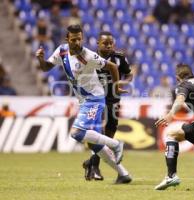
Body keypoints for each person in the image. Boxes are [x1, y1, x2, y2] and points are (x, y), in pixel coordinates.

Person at [35, 24, 127, 180]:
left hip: (95, 99)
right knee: (95, 142)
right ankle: (121, 174)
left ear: (82, 38)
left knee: (77, 133)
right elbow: (45, 68)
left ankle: (116, 145)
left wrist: (117, 86)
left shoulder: (88, 55)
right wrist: (40, 59)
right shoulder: (61, 51)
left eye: (79, 39)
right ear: (67, 39)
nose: (77, 43)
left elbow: (112, 66)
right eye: (74, 40)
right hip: (84, 101)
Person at [82, 31, 133, 184]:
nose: (109, 45)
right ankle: (95, 166)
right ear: (98, 43)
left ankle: (91, 163)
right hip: (95, 98)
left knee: (110, 130)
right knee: (98, 130)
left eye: (111, 43)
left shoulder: (119, 57)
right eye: (105, 43)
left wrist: (123, 83)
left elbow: (129, 74)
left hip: (113, 98)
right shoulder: (89, 57)